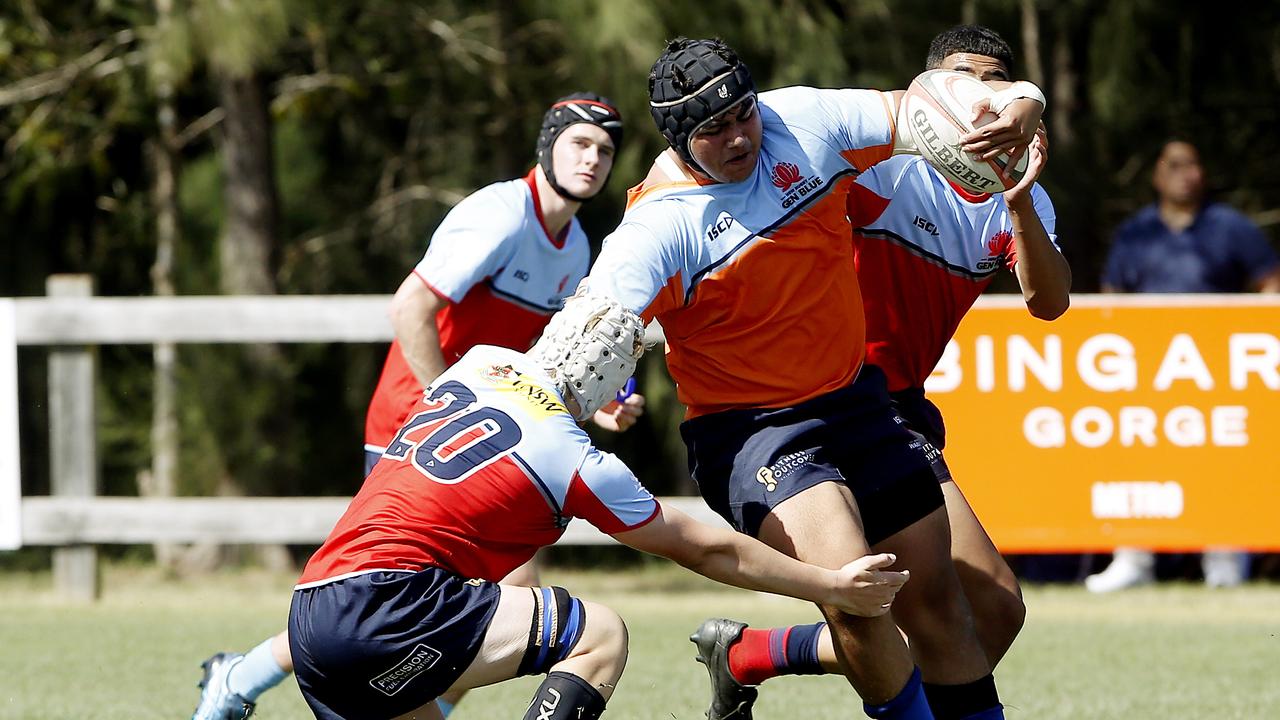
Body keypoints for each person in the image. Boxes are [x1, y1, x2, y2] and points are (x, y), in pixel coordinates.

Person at [583, 37, 1044, 720]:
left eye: (744, 114)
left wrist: (1025, 102)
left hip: (858, 400)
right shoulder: (659, 224)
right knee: (860, 594)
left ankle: (752, 655)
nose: (740, 137)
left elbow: (919, 108)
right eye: (714, 130)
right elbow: (592, 335)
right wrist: (580, 397)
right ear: (678, 138)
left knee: (950, 609)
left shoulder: (803, 121)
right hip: (755, 433)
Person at [191, 92, 645, 720]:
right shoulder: (500, 214)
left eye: (604, 149)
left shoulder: (572, 249)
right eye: (579, 143)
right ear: (547, 144)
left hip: (482, 430)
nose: (592, 159)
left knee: (460, 598)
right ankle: (240, 677)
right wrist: (445, 400)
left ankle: (248, 677)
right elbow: (410, 307)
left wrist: (594, 408)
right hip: (420, 423)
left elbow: (542, 358)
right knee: (390, 599)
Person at [286, 292, 911, 720]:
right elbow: (706, 547)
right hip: (394, 604)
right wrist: (829, 583)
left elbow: (521, 391)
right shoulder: (577, 461)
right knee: (600, 635)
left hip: (311, 607)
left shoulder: (476, 366)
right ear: (612, 383)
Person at [1086, 138, 1280, 593]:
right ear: (1156, 174)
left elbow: (1271, 285)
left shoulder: (1231, 228)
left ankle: (1225, 561)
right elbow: (1112, 299)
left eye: (1192, 164)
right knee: (1138, 456)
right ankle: (1134, 557)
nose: (1184, 173)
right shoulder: (1136, 232)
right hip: (1147, 371)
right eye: (1174, 164)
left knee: (1219, 458)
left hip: (1215, 370)